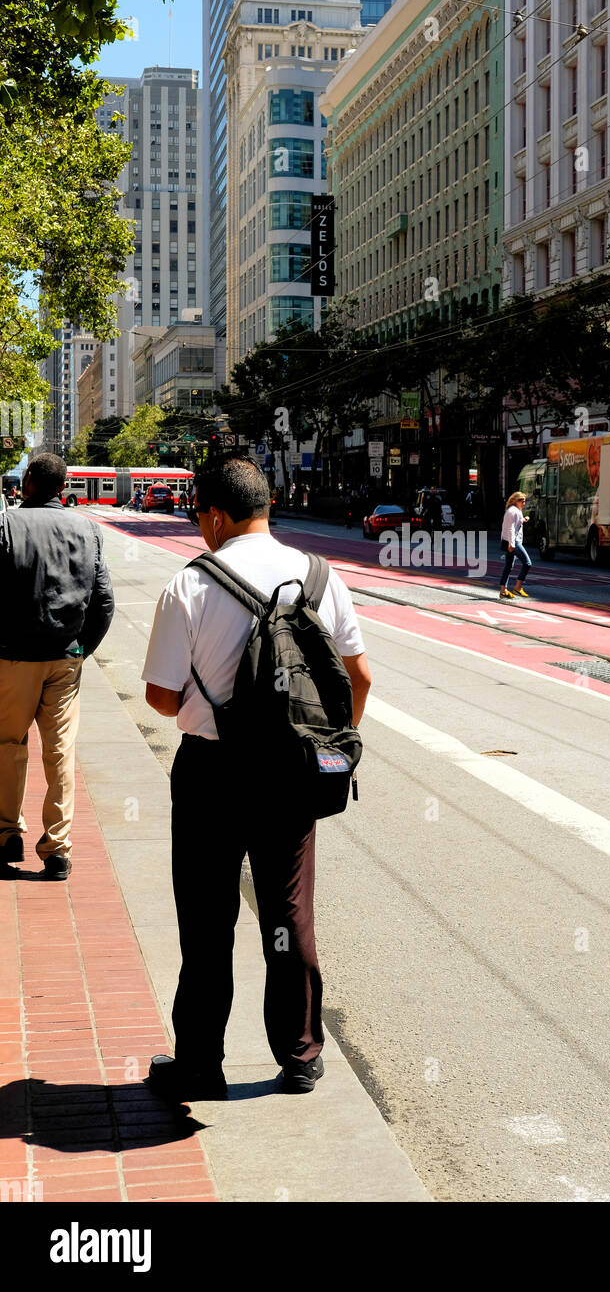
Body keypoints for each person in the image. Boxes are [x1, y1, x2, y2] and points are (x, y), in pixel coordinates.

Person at [141, 458, 372, 1102]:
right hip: (292, 776)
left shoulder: (188, 585)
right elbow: (359, 681)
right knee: (288, 912)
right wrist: (324, 746)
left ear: (215, 514)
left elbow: (161, 697)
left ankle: (199, 1065)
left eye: (199, 516)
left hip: (212, 775)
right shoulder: (321, 577)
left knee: (208, 919)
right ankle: (299, 1056)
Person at [0, 453, 115, 879]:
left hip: (13, 658)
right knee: (60, 751)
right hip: (65, 659)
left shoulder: (6, 524)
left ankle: (6, 835)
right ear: (63, 487)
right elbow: (104, 600)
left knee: (8, 746)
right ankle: (58, 849)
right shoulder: (86, 528)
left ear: (27, 481)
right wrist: (83, 648)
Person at [499, 490, 532, 601]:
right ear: (516, 501)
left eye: (524, 501)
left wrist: (524, 519)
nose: (524, 503)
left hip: (510, 541)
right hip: (513, 542)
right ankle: (517, 587)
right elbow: (510, 528)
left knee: (508, 566)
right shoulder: (513, 511)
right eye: (522, 501)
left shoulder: (514, 511)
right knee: (527, 563)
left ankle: (503, 591)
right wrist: (512, 544)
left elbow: (515, 522)